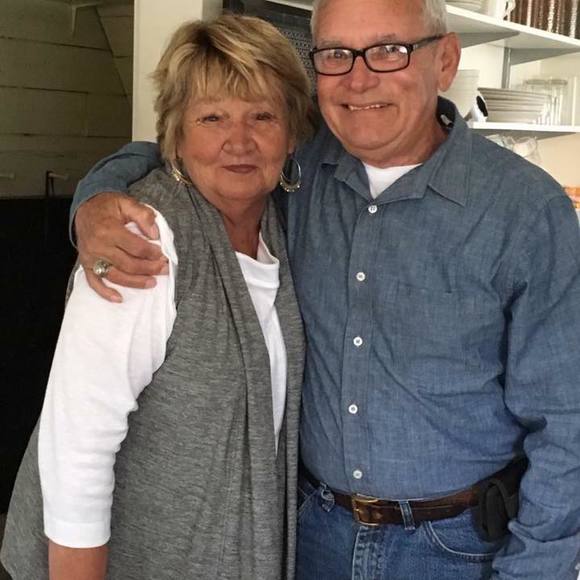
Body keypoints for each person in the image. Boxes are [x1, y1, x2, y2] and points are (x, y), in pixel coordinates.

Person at [37, 0, 580, 579]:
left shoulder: (526, 213)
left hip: (453, 549)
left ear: (445, 61)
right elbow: (175, 147)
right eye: (337, 54)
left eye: (389, 50)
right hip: (310, 532)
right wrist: (94, 200)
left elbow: (567, 423)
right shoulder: (284, 179)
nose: (359, 78)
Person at [0, 13, 314, 580]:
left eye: (263, 116)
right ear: (176, 133)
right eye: (212, 117)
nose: (239, 141)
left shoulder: (277, 226)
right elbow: (77, 451)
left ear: (291, 132)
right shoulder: (143, 239)